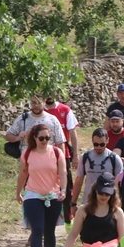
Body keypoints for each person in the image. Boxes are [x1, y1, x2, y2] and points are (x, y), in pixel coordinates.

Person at [16, 124, 67, 247]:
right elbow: (23, 174)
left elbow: (63, 173)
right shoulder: (27, 154)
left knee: (49, 230)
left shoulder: (57, 153)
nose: (45, 141)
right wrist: (18, 193)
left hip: (53, 196)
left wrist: (63, 190)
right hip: (33, 196)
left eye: (47, 138)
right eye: (42, 138)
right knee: (37, 229)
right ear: (34, 138)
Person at [44, 93, 80, 228]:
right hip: (44, 156)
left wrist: (75, 154)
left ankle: (68, 218)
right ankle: (48, 220)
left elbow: (73, 133)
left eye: (51, 91)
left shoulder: (65, 110)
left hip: (63, 154)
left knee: (66, 186)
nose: (48, 95)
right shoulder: (40, 111)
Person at [71, 128, 124, 217]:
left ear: (107, 141)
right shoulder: (85, 157)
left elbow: (119, 185)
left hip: (107, 204)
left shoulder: (114, 159)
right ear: (92, 140)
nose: (98, 147)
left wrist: (117, 205)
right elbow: (79, 181)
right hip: (88, 203)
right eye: (95, 144)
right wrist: (73, 203)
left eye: (102, 144)